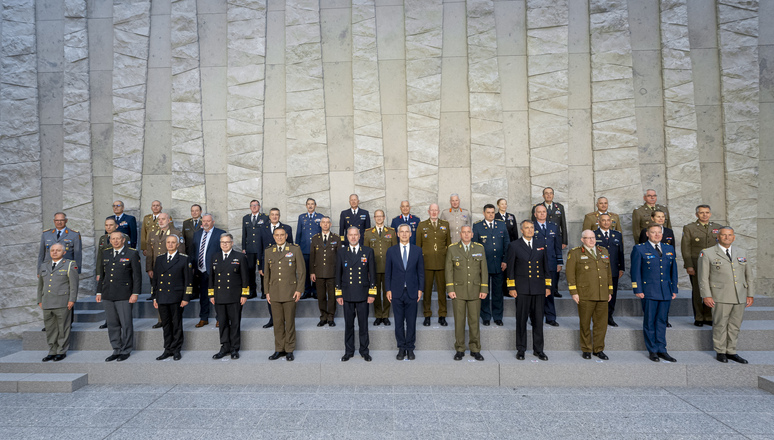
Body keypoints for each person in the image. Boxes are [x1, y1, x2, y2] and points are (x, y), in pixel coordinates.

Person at [698, 227, 753, 364]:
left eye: (729, 235)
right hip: (720, 295)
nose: (727, 237)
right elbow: (703, 277)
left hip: (739, 295)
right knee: (720, 324)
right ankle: (720, 351)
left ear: (734, 237)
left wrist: (750, 294)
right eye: (724, 235)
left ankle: (732, 351)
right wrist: (706, 295)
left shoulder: (742, 252)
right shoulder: (708, 253)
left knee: (735, 325)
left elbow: (749, 276)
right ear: (718, 237)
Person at [631, 224, 678, 363]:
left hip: (665, 291)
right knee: (650, 321)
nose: (657, 235)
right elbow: (635, 271)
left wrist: (674, 289)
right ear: (647, 234)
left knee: (662, 321)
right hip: (649, 291)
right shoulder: (639, 249)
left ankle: (662, 349)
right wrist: (637, 289)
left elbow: (673, 270)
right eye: (653, 232)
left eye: (659, 233)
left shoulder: (669, 248)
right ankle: (652, 350)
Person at [506, 220, 551, 361]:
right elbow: (510, 269)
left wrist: (548, 286)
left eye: (532, 228)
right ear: (521, 230)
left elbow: (546, 267)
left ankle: (539, 350)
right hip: (522, 289)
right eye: (527, 228)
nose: (530, 230)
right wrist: (511, 287)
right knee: (521, 320)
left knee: (538, 320)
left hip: (538, 288)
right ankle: (521, 349)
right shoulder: (514, 246)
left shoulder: (541, 245)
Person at [566, 230, 612, 360]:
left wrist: (610, 291)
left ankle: (598, 349)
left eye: (593, 238)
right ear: (582, 240)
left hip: (602, 294)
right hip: (585, 294)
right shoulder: (575, 253)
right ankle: (586, 349)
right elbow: (570, 274)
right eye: (588, 238)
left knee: (601, 325)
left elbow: (608, 272)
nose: (592, 240)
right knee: (585, 323)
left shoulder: (603, 251)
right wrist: (574, 292)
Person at [96, 231, 142, 362]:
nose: (115, 241)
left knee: (126, 323)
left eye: (118, 239)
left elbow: (137, 276)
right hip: (108, 293)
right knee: (112, 323)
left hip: (124, 294)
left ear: (123, 240)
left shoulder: (132, 253)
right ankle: (116, 349)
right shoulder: (106, 253)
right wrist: (99, 292)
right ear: (110, 241)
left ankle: (126, 350)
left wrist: (135, 293)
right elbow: (102, 275)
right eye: (113, 239)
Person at [445, 225, 487, 361]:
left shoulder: (479, 248)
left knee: (474, 321)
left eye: (468, 232)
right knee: (459, 321)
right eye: (464, 232)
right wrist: (450, 289)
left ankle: (475, 349)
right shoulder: (452, 248)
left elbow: (484, 270)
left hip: (475, 291)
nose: (466, 234)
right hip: (458, 291)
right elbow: (449, 270)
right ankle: (460, 348)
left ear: (472, 234)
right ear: (460, 234)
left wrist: (484, 289)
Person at [335, 227, 377, 362]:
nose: (353, 237)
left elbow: (373, 274)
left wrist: (372, 293)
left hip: (363, 294)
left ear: (360, 236)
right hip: (347, 294)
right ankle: (349, 351)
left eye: (355, 235)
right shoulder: (341, 252)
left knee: (363, 325)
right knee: (349, 325)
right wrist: (338, 294)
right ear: (347, 237)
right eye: (350, 235)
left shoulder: (367, 251)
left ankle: (364, 351)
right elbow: (337, 275)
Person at [264, 227, 305, 361]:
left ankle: (289, 349)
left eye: (282, 235)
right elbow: (266, 275)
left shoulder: (294, 249)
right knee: (277, 322)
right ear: (274, 236)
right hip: (274, 292)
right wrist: (267, 292)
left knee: (290, 322)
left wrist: (299, 290)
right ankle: (279, 349)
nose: (280, 237)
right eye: (277, 235)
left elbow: (302, 271)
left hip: (290, 292)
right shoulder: (269, 251)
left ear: (286, 236)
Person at [385, 224, 424, 360]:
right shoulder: (391, 251)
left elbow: (420, 272)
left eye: (407, 232)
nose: (404, 234)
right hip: (396, 292)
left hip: (412, 291)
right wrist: (388, 289)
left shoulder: (417, 250)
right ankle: (401, 348)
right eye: (402, 232)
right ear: (397, 234)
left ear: (410, 234)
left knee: (411, 322)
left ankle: (410, 348)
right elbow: (388, 273)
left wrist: (420, 289)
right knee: (399, 322)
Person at [208, 233, 249, 360]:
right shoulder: (215, 257)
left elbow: (245, 278)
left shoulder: (240, 257)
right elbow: (211, 278)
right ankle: (224, 346)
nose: (224, 244)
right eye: (222, 242)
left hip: (235, 296)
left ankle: (234, 348)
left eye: (227, 242)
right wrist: (211, 294)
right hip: (219, 296)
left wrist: (244, 294)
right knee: (223, 323)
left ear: (232, 243)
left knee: (235, 322)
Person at [151, 235, 191, 361]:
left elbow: (188, 281)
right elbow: (155, 280)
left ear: (177, 245)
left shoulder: (184, 259)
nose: (170, 244)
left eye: (173, 242)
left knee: (176, 324)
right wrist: (154, 297)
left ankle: (177, 349)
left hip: (176, 297)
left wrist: (186, 297)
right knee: (166, 325)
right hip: (162, 297)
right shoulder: (160, 259)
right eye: (168, 242)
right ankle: (167, 349)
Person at [681, 205, 722, 327]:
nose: (705, 215)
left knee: (712, 290)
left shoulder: (717, 228)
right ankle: (699, 317)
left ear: (710, 214)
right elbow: (686, 248)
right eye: (702, 213)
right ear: (696, 214)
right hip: (697, 264)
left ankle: (708, 316)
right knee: (698, 291)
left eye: (707, 212)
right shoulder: (689, 228)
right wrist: (689, 265)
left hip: (714, 264)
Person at [38, 243, 78, 362]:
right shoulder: (44, 265)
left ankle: (61, 351)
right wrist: (39, 300)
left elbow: (73, 285)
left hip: (62, 302)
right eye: (52, 250)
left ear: (64, 252)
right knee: (50, 328)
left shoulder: (70, 265)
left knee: (63, 328)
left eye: (58, 250)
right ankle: (52, 351)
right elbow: (40, 285)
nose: (54, 252)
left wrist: (72, 299)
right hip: (47, 302)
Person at [472, 204, 509, 326]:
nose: (491, 214)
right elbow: (475, 247)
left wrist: (505, 260)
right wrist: (478, 265)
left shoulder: (501, 225)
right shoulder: (477, 226)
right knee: (484, 292)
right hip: (484, 265)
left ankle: (498, 316)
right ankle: (486, 316)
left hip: (499, 264)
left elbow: (507, 244)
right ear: (484, 213)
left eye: (493, 212)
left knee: (498, 292)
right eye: (488, 212)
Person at [416, 203, 451, 327]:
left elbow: (448, 245)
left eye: (436, 210)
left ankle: (442, 315)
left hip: (442, 263)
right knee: (427, 291)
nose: (434, 212)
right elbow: (418, 247)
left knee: (442, 291)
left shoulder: (445, 225)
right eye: (432, 210)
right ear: (428, 211)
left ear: (439, 211)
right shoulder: (422, 225)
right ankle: (427, 315)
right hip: (427, 264)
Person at [258, 208, 293, 328]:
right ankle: (273, 318)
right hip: (269, 264)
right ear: (269, 216)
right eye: (272, 215)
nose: (274, 217)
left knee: (284, 291)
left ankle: (283, 318)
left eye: (276, 215)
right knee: (270, 292)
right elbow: (260, 248)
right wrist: (260, 266)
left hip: (284, 264)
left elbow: (291, 247)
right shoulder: (263, 229)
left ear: (279, 216)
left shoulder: (287, 228)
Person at [190, 214, 226, 328]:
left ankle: (220, 318)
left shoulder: (220, 233)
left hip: (215, 271)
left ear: (213, 222)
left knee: (218, 295)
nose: (205, 223)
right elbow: (193, 251)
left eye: (208, 221)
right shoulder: (197, 234)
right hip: (201, 270)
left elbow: (224, 251)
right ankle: (203, 318)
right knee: (203, 296)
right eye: (204, 221)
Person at [364, 209, 397, 326]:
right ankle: (378, 315)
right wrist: (366, 269)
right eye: (377, 216)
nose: (379, 218)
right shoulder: (368, 233)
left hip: (388, 267)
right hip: (374, 268)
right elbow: (365, 253)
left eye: (381, 216)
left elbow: (395, 251)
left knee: (388, 292)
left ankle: (386, 315)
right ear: (374, 218)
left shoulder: (391, 232)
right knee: (376, 292)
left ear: (384, 217)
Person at [533, 204, 564, 322]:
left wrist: (559, 262)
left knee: (549, 291)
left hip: (551, 263)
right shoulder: (531, 226)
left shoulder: (553, 226)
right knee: (536, 292)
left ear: (547, 213)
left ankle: (551, 317)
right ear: (535, 214)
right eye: (539, 212)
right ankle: (536, 317)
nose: (542, 214)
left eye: (544, 212)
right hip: (536, 264)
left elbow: (557, 246)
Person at [309, 216, 341, 326]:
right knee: (321, 296)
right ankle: (323, 316)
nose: (325, 224)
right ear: (320, 224)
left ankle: (331, 317)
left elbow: (340, 257)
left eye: (328, 222)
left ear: (331, 224)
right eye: (323, 222)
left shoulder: (336, 238)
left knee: (332, 296)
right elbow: (312, 256)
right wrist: (312, 272)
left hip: (332, 272)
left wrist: (339, 273)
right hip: (318, 272)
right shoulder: (315, 238)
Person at [595, 214, 625, 327]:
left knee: (612, 294)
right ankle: (599, 316)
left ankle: (609, 316)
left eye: (608, 220)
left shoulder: (617, 234)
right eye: (604, 220)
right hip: (598, 271)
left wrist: (621, 268)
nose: (607, 222)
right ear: (599, 222)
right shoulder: (593, 234)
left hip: (613, 270)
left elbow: (620, 252)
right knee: (599, 294)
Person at [296, 198, 323, 299]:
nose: (310, 206)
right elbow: (298, 233)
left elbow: (322, 233)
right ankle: (307, 290)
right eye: (308, 204)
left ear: (315, 205)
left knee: (316, 270)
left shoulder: (320, 217)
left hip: (317, 249)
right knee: (305, 270)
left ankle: (315, 290)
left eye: (312, 204)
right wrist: (297, 248)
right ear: (306, 206)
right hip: (304, 249)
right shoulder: (301, 217)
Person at [96, 218, 119, 329]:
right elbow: (99, 258)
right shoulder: (103, 238)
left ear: (116, 226)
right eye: (106, 225)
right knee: (107, 298)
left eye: (111, 225)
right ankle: (109, 320)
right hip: (106, 273)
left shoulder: (123, 237)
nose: (108, 227)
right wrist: (98, 273)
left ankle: (119, 319)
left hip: (119, 273)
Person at [242, 200, 267, 299]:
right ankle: (252, 291)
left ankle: (265, 291)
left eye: (256, 205)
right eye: (252, 205)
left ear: (259, 206)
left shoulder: (264, 217)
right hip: (250, 249)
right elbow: (244, 234)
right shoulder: (246, 218)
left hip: (261, 249)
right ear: (250, 207)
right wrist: (244, 248)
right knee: (250, 271)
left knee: (263, 271)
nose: (254, 207)